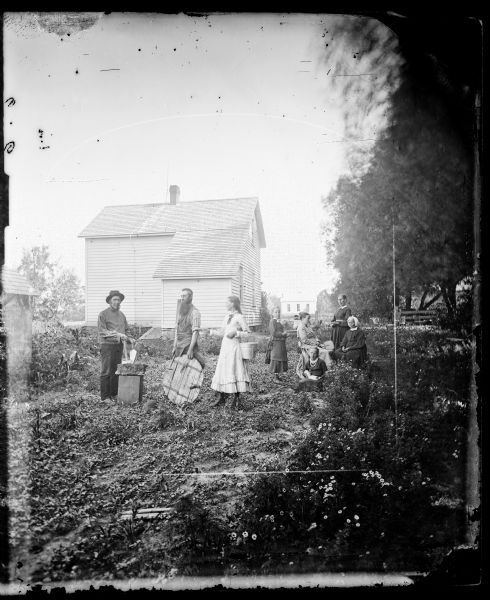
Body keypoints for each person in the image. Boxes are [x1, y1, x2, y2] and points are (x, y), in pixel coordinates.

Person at [211, 296, 251, 409]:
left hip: (234, 348)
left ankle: (236, 399)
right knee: (222, 370)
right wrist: (210, 332)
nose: (225, 304)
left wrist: (236, 333)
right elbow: (222, 332)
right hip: (225, 347)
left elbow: (247, 333)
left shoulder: (239, 317)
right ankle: (221, 397)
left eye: (227, 302)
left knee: (235, 369)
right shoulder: (227, 317)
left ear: (233, 303)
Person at [98, 290, 135, 401]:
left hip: (119, 346)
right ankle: (105, 397)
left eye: (119, 300)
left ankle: (113, 394)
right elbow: (102, 331)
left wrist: (129, 338)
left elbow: (126, 330)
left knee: (116, 370)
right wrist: (118, 334)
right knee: (106, 371)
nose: (117, 302)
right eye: (114, 299)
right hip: (107, 346)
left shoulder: (122, 315)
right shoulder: (103, 314)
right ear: (109, 301)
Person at [171, 288, 205, 369]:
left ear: (190, 297)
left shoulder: (195, 312)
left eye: (184, 296)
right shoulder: (180, 312)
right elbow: (177, 330)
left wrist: (190, 349)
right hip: (179, 347)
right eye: (181, 296)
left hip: (188, 346)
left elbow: (195, 332)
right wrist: (174, 346)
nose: (182, 298)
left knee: (195, 368)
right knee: (176, 369)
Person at [269, 307, 289, 383]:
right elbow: (273, 333)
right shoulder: (272, 322)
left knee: (280, 358)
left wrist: (285, 334)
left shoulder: (278, 322)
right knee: (276, 358)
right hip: (276, 343)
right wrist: (282, 334)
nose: (277, 314)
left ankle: (277, 376)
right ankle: (275, 378)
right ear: (272, 313)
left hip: (281, 342)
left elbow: (282, 330)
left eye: (278, 312)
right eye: (276, 312)